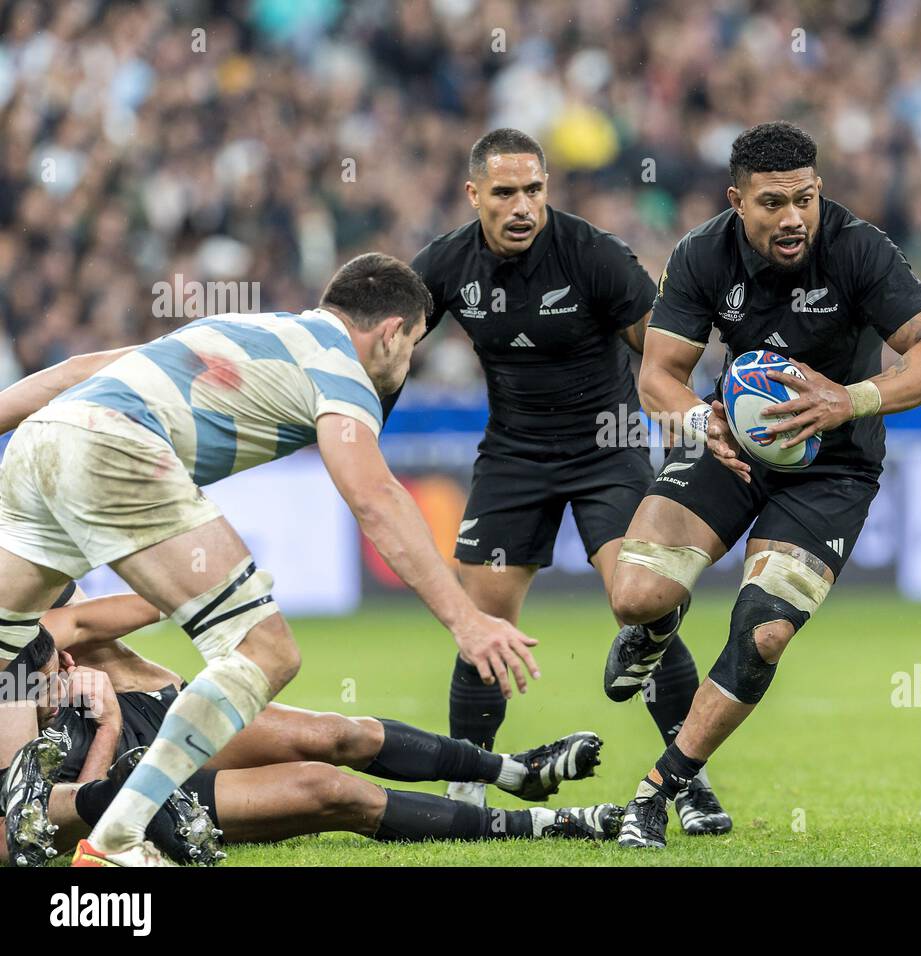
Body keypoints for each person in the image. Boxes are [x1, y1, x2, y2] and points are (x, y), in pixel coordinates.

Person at [0, 252, 540, 866]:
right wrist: (465, 622)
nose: (407, 362)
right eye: (413, 344)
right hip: (115, 447)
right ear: (391, 332)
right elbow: (375, 498)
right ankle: (118, 836)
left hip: (36, 446)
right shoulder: (343, 371)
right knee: (266, 652)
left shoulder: (239, 328)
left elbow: (73, 370)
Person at [603, 122, 921, 848]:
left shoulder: (860, 250)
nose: (793, 217)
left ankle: (660, 787)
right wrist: (696, 423)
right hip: (732, 441)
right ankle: (658, 627)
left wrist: (848, 399)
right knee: (635, 594)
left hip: (832, 468)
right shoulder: (703, 253)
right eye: (772, 203)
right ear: (738, 201)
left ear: (819, 190)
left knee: (764, 632)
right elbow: (658, 376)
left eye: (805, 198)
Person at [407, 129, 730, 833]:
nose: (522, 206)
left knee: (640, 607)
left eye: (533, 190)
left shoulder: (594, 255)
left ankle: (691, 783)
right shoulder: (446, 263)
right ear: (474, 196)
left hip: (605, 451)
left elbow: (665, 348)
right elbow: (389, 345)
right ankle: (469, 787)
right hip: (513, 457)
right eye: (504, 193)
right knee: (484, 625)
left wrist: (699, 416)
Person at [1, 589, 614, 867]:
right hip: (125, 784)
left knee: (337, 734)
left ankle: (515, 772)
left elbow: (160, 598)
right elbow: (38, 827)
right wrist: (103, 721)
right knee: (331, 790)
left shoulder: (37, 605)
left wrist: (64, 630)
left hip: (163, 714)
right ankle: (541, 823)